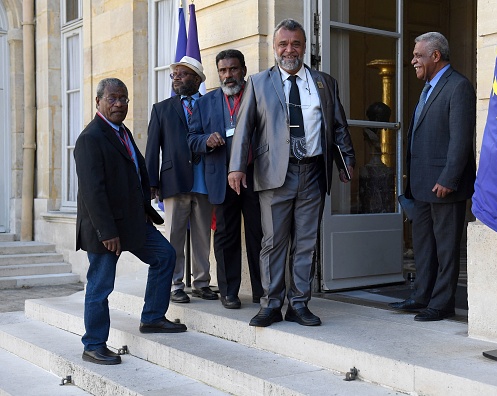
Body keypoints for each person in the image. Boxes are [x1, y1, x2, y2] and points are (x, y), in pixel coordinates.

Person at [228, 19, 355, 327]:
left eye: (295, 44)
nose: (289, 50)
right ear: (275, 48)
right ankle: (271, 304)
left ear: (304, 47)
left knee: (306, 241)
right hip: (275, 175)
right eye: (283, 44)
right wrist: (235, 167)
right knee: (273, 242)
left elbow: (337, 126)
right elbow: (244, 129)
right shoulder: (258, 83)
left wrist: (346, 160)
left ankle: (299, 303)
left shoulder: (325, 83)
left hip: (313, 172)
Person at [75, 78, 187, 366]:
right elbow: (93, 192)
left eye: (123, 98)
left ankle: (152, 317)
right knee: (100, 287)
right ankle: (93, 345)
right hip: (107, 230)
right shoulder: (90, 138)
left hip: (134, 223)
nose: (119, 104)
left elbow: (135, 170)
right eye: (112, 99)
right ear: (98, 101)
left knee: (165, 256)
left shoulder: (121, 131)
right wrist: (107, 232)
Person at [388, 32, 475, 321]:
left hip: (445, 186)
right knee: (424, 246)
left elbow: (460, 140)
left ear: (435, 56)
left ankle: (441, 303)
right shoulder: (427, 89)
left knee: (446, 248)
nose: (412, 60)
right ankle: (421, 295)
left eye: (418, 55)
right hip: (421, 185)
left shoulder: (458, 87)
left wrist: (449, 178)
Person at [187, 49, 263, 309]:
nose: (228, 75)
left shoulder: (258, 96)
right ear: (217, 73)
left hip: (256, 177)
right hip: (220, 178)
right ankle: (229, 292)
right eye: (223, 70)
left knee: (260, 235)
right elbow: (191, 138)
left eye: (232, 69)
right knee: (226, 236)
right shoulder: (205, 103)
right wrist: (205, 141)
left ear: (243, 69)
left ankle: (262, 292)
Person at [145, 56, 218, 304]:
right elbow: (152, 148)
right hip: (174, 181)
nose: (176, 78)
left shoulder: (211, 104)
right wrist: (151, 183)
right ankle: (175, 284)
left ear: (197, 79)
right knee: (174, 236)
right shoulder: (161, 108)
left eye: (182, 74)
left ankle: (201, 283)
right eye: (174, 74)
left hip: (205, 181)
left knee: (201, 236)